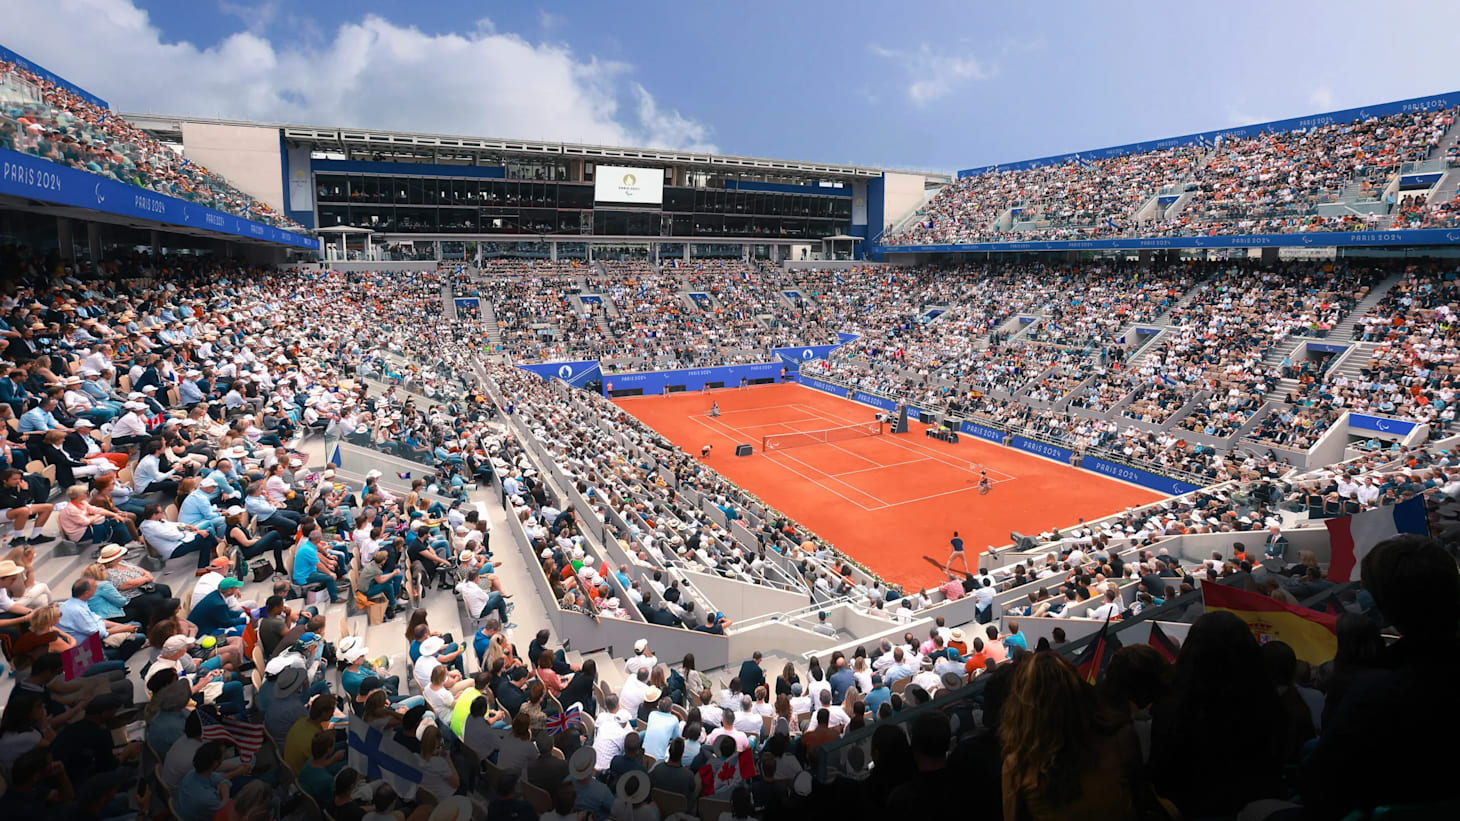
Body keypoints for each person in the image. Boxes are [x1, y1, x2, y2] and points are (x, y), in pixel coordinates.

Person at [1000, 652, 1143, 819]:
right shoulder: (1121, 737)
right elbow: (1139, 798)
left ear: (1021, 705)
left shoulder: (1019, 766)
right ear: (1081, 690)